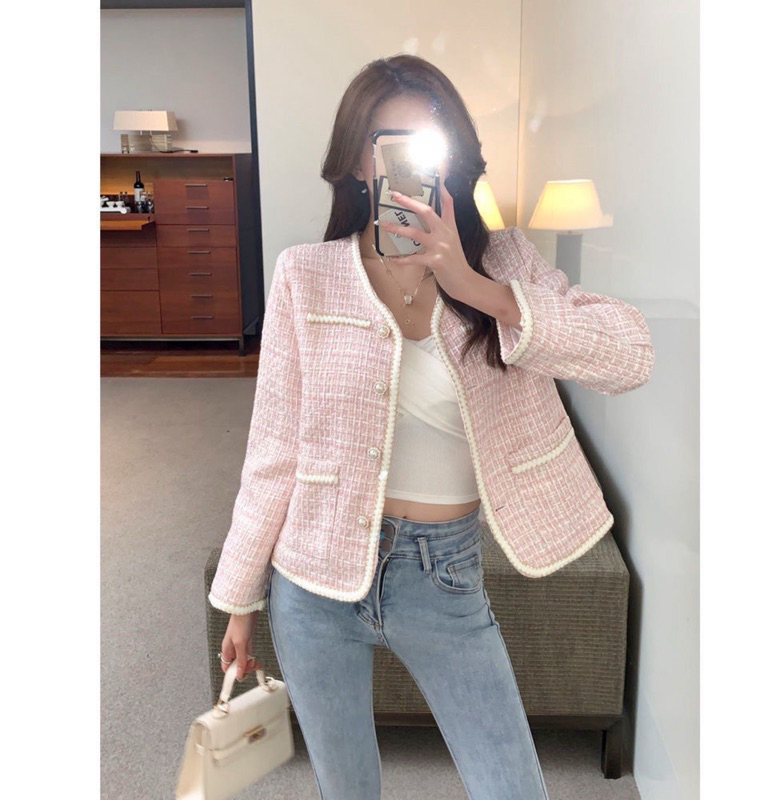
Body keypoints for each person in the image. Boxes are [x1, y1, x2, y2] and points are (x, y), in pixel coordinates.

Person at [209, 54, 654, 800]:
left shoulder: (504, 260)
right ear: (360, 161)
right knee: (347, 790)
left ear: (454, 157)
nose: (411, 161)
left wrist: (477, 287)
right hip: (314, 576)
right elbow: (274, 449)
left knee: (513, 787)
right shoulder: (303, 274)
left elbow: (630, 355)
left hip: (442, 575)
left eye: (429, 140)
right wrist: (238, 598)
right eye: (390, 142)